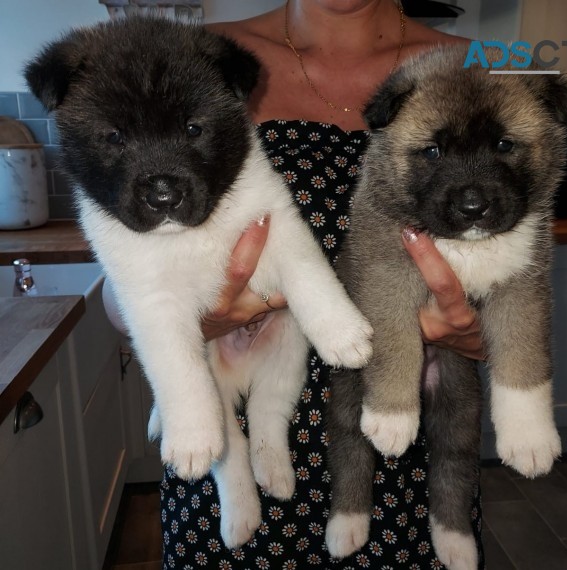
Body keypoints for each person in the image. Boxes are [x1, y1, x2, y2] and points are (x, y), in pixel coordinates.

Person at [105, 1, 486, 567]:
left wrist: (475, 334)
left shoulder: (484, 65)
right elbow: (123, 284)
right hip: (223, 445)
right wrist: (199, 319)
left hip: (399, 457)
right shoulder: (197, 55)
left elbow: (519, 270)